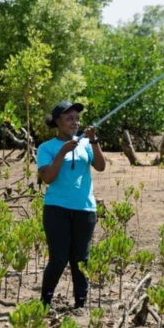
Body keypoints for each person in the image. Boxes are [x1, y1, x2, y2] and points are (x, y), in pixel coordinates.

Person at [37, 100, 105, 308]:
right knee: (58, 258)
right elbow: (48, 177)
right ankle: (44, 303)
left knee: (81, 260)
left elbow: (100, 166)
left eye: (77, 119)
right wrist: (62, 153)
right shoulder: (46, 148)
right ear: (57, 122)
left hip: (85, 209)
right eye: (69, 119)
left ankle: (80, 305)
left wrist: (94, 141)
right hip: (57, 209)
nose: (75, 122)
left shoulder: (85, 143)